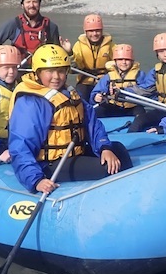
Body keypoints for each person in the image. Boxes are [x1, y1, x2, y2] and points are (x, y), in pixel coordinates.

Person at [8, 44, 133, 193]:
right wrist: (36, 180)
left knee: (117, 149)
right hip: (49, 164)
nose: (56, 77)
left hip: (72, 153)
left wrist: (104, 147)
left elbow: (92, 124)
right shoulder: (31, 103)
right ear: (37, 73)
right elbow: (20, 146)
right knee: (108, 168)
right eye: (50, 71)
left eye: (61, 71)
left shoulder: (68, 94)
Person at [0, 0, 70, 58]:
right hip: (18, 69)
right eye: (28, 2)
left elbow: (57, 55)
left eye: (35, 2)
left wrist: (68, 52)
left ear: (39, 4)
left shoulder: (50, 26)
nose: (31, 5)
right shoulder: (13, 24)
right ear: (22, 5)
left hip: (41, 69)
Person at [89, 44, 152, 118]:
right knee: (97, 111)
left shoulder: (139, 75)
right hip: (113, 106)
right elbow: (96, 92)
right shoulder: (108, 76)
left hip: (132, 107)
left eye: (127, 59)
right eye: (120, 59)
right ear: (115, 61)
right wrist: (95, 97)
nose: (124, 62)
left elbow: (145, 91)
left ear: (132, 61)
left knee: (141, 113)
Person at [71, 13, 114, 100]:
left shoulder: (110, 46)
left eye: (97, 30)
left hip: (104, 81)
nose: (94, 34)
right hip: (85, 81)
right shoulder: (78, 45)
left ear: (102, 30)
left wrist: (108, 79)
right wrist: (69, 53)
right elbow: (74, 67)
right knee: (80, 97)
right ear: (85, 31)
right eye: (91, 31)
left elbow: (116, 66)